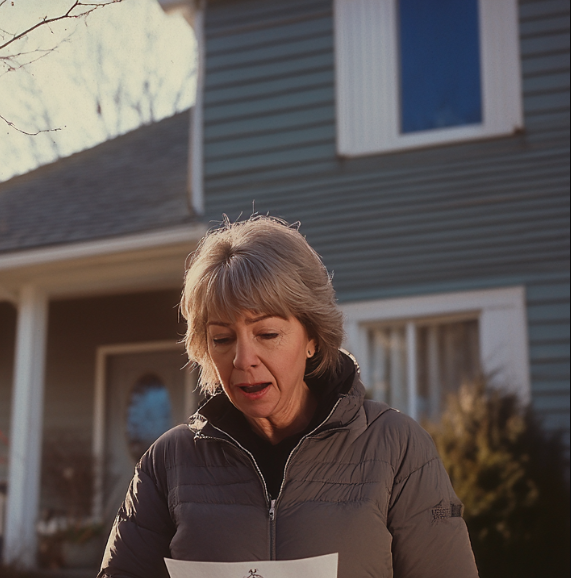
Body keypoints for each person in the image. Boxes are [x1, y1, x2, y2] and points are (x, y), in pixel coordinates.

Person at [98, 216, 478, 578]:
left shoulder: (397, 448)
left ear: (312, 337)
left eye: (267, 334)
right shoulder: (168, 462)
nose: (244, 360)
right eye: (223, 339)